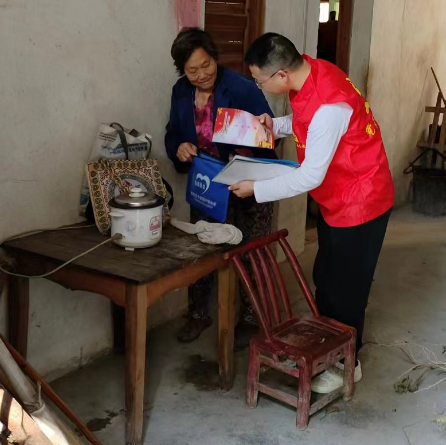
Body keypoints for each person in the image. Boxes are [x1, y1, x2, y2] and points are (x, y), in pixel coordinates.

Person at [229, 33, 394, 394]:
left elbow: (309, 176)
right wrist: (276, 125)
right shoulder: (312, 71)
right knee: (326, 276)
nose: (259, 86)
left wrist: (256, 189)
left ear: (282, 74)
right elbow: (305, 118)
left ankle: (349, 363)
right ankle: (327, 346)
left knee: (347, 290)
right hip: (337, 197)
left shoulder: (330, 108)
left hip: (362, 201)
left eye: (260, 81)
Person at [165, 28, 276, 345]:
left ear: (215, 57)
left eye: (206, 65)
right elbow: (173, 131)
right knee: (202, 248)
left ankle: (251, 320)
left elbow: (268, 134)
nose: (202, 75)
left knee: (250, 252)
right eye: (192, 70)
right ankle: (199, 314)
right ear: (182, 71)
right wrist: (179, 147)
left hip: (248, 182)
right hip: (207, 184)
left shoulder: (241, 88)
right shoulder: (180, 92)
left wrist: (244, 151)